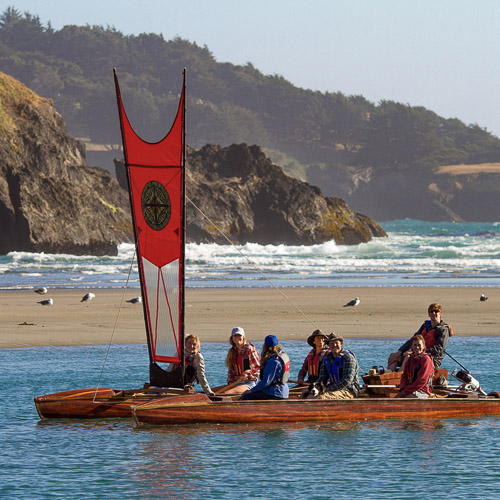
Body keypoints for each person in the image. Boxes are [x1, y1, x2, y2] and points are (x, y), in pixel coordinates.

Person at [387, 303, 453, 371]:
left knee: (408, 357)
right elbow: (413, 340)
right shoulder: (425, 326)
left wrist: (416, 351)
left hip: (433, 359)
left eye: (436, 311)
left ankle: (400, 378)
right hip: (417, 353)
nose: (433, 313)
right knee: (393, 356)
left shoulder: (443, 330)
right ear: (429, 314)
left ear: (440, 314)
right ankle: (388, 376)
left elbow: (437, 350)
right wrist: (399, 352)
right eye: (431, 311)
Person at [310, 332, 360, 399]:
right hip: (332, 389)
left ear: (341, 344)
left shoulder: (348, 357)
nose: (334, 345)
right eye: (332, 343)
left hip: (348, 390)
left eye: (336, 343)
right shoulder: (327, 358)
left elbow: (347, 380)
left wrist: (328, 389)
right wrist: (314, 387)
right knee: (306, 396)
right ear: (329, 346)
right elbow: (322, 378)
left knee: (321, 398)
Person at [240, 335, 290, 400]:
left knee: (245, 396)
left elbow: (265, 382)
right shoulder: (283, 356)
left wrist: (251, 391)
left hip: (275, 393)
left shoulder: (273, 361)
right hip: (284, 391)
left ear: (265, 346)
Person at [213, 327, 260, 395]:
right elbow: (231, 372)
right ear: (232, 338)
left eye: (239, 335)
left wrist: (247, 373)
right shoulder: (232, 352)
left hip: (249, 383)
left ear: (243, 337)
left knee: (226, 393)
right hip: (236, 383)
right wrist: (229, 384)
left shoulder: (249, 349)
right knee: (211, 391)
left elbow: (258, 367)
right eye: (235, 335)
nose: (237, 337)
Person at [395, 334, 433, 398]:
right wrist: (402, 388)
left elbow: (422, 380)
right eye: (415, 345)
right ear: (412, 346)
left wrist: (406, 391)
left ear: (423, 346)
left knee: (408, 399)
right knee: (395, 400)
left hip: (422, 390)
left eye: (419, 345)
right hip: (409, 389)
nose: (417, 347)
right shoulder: (410, 359)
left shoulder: (426, 360)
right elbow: (404, 376)